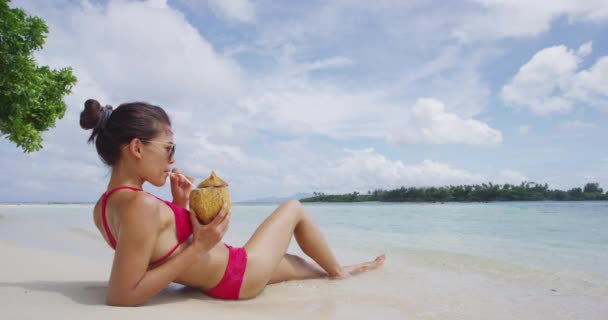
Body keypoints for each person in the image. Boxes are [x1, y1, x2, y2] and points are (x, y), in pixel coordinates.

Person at [80, 99, 385, 306]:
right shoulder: (140, 206)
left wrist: (178, 204)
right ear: (136, 147)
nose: (172, 159)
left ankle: (344, 269)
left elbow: (154, 252)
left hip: (227, 272)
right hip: (237, 277)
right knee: (293, 208)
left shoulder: (104, 207)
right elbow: (122, 296)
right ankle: (343, 276)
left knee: (300, 265)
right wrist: (201, 246)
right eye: (168, 147)